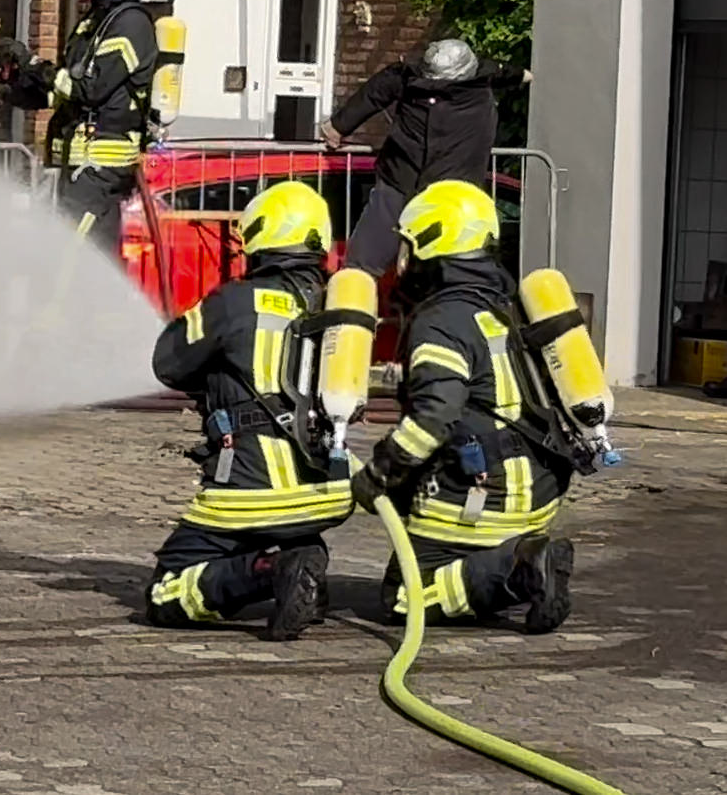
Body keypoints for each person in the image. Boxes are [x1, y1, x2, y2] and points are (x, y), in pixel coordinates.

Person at [354, 179, 577, 632]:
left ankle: (520, 567)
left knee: (404, 597)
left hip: (482, 497)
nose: (403, 259)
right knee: (446, 571)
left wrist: (379, 473)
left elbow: (434, 416)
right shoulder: (506, 303)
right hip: (536, 490)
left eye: (408, 245)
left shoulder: (442, 320)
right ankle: (512, 559)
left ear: (432, 245)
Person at [144, 180, 353, 640]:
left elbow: (168, 363)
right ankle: (303, 557)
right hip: (327, 490)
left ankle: (273, 569)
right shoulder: (338, 307)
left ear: (260, 234)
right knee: (281, 525)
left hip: (248, 492)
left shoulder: (234, 301)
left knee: (166, 592)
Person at [4, 0, 160, 257]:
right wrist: (14, 82)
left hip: (98, 173)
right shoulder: (93, 23)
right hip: (71, 170)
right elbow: (63, 92)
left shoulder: (131, 23)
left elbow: (90, 90)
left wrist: (33, 64)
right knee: (51, 258)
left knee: (70, 263)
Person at [323, 39, 527, 279]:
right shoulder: (412, 77)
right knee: (364, 265)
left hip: (445, 191)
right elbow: (377, 91)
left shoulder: (478, 78)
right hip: (405, 181)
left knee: (436, 266)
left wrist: (338, 127)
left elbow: (506, 72)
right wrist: (339, 126)